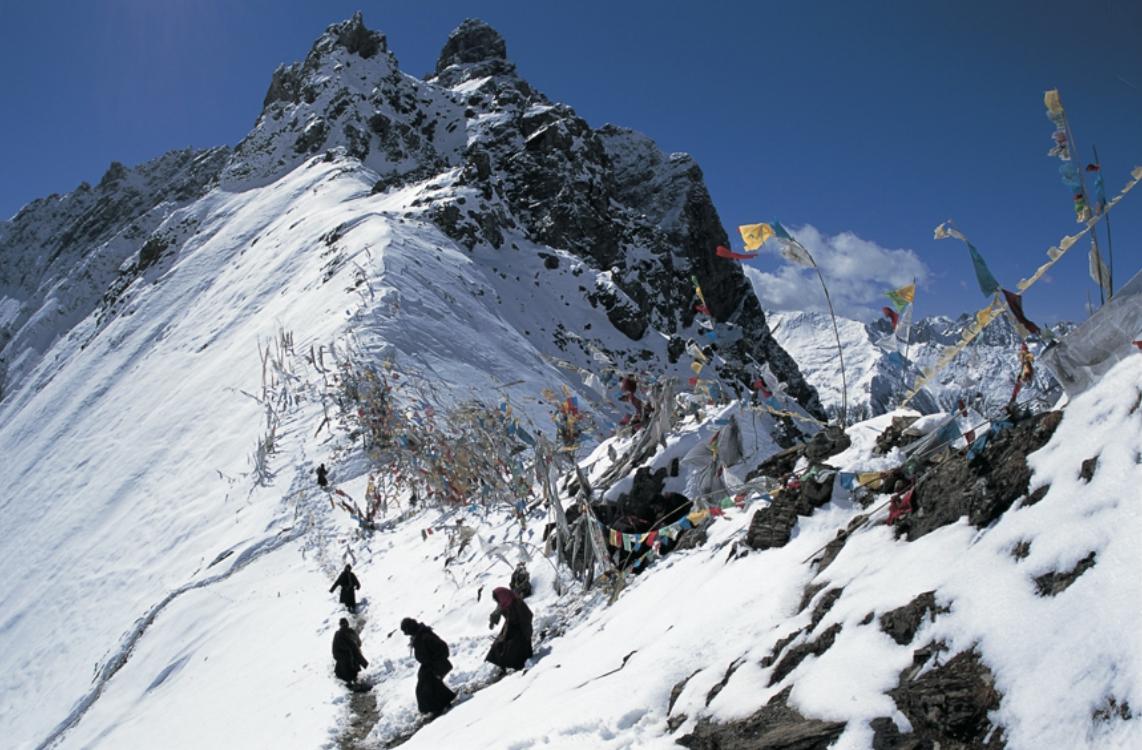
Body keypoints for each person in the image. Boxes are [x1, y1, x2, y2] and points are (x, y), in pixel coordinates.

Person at [400, 618, 456, 716]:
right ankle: (441, 703)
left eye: (406, 632)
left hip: (439, 664)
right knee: (423, 683)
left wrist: (434, 664)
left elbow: (443, 648)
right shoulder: (418, 637)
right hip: (430, 665)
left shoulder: (426, 636)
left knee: (428, 684)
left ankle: (438, 707)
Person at [485, 586, 533, 671]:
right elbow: (497, 612)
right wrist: (493, 622)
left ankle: (517, 664)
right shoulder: (505, 602)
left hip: (521, 630)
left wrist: (525, 634)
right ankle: (503, 666)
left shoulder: (517, 603)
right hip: (512, 627)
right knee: (498, 645)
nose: (498, 602)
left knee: (511, 647)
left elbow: (526, 618)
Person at [332, 618, 369, 686]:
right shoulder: (339, 634)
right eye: (343, 624)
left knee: (351, 667)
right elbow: (335, 648)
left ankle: (353, 681)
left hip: (350, 657)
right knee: (347, 669)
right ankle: (351, 682)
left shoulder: (348, 632)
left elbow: (358, 643)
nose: (344, 626)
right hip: (344, 657)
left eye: (345, 624)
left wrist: (353, 648)